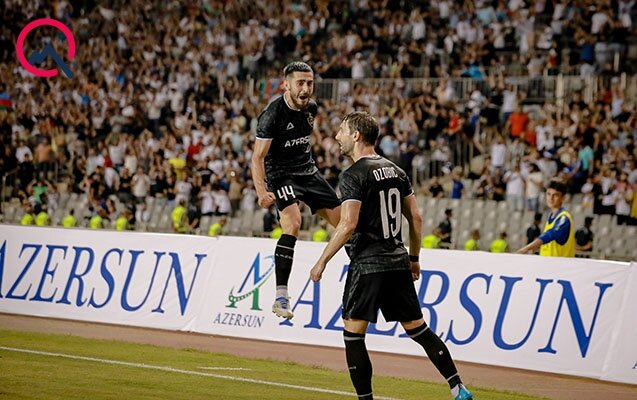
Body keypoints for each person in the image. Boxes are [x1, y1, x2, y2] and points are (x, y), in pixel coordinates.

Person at [310, 111, 473, 400]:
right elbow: (417, 218)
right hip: (397, 261)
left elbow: (348, 224)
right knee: (419, 329)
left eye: (342, 131)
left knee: (354, 334)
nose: (337, 136)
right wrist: (414, 258)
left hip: (368, 263)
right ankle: (458, 387)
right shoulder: (397, 171)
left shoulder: (353, 175)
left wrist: (322, 260)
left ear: (356, 135)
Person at [252, 61, 341, 319]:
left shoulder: (311, 108)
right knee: (293, 223)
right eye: (300, 83)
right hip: (282, 175)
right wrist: (261, 191)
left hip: (308, 172)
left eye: (309, 83)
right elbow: (257, 157)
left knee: (346, 223)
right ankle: (281, 297)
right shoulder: (272, 115)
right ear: (286, 84)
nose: (305, 88)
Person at [517, 178, 575, 257]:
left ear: (563, 198)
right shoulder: (551, 218)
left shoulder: (564, 218)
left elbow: (550, 235)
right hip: (548, 267)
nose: (551, 198)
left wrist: (527, 248)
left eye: (555, 195)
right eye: (548, 194)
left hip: (560, 268)